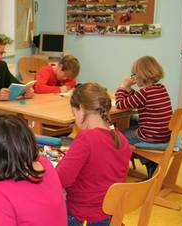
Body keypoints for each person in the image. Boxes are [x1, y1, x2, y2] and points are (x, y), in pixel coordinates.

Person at [56, 83, 131, 226]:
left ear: (82, 109)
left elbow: (61, 178)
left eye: (74, 113)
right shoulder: (121, 138)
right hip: (110, 216)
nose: (75, 119)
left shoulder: (86, 139)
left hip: (82, 217)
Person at [115, 56, 172, 176]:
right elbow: (137, 100)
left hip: (150, 137)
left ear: (142, 75)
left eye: (134, 74)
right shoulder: (160, 88)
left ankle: (145, 161)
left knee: (118, 135)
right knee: (132, 126)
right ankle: (148, 162)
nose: (133, 78)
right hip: (164, 135)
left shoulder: (145, 93)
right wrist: (129, 89)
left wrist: (122, 87)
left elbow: (120, 104)